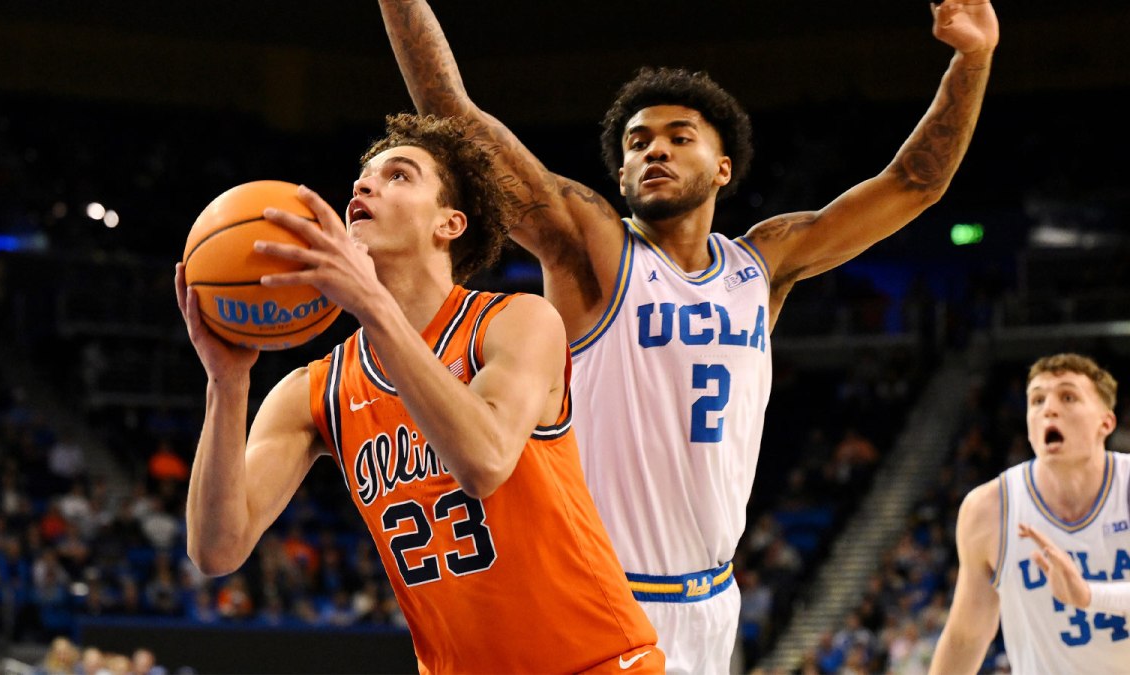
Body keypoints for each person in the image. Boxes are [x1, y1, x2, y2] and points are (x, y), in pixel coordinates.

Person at [378, 1, 999, 671]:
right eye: (638, 142)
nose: (655, 150)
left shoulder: (763, 264)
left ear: (722, 168)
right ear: (620, 176)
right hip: (595, 593)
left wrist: (973, 59)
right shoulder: (592, 249)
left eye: (679, 136)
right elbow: (454, 111)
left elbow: (914, 182)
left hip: (712, 599)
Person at [176, 113, 660, 673]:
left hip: (597, 664)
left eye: (399, 176)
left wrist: (372, 306)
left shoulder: (515, 322)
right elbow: (215, 549)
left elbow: (483, 462)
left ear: (449, 224)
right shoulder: (316, 390)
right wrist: (228, 384)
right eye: (363, 176)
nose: (363, 185)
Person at [930, 353, 1130, 673]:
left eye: (1068, 397)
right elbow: (967, 637)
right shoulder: (989, 509)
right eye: (1037, 400)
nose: (1048, 409)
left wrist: (1090, 595)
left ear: (1105, 422)